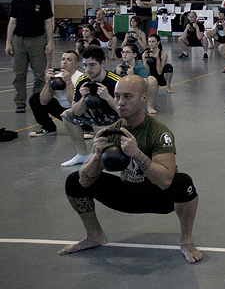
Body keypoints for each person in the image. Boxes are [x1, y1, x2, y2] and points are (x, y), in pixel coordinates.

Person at [59, 75, 202, 263]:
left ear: (144, 98)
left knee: (184, 183)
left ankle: (186, 241)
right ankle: (94, 235)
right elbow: (84, 182)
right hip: (126, 194)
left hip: (158, 197)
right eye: (117, 97)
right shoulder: (109, 133)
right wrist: (96, 155)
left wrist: (137, 154)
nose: (120, 103)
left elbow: (166, 180)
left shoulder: (159, 132)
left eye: (127, 96)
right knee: (73, 181)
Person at [59, 46, 121, 167]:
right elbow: (76, 112)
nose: (88, 69)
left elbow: (126, 111)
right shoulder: (82, 81)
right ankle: (82, 155)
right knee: (67, 115)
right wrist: (83, 98)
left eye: (92, 65)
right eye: (85, 65)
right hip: (96, 116)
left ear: (102, 63)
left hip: (116, 118)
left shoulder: (116, 81)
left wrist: (108, 97)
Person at [6, 0, 54, 113]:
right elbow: (12, 23)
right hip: (18, 41)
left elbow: (48, 23)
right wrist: (8, 42)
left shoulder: (44, 2)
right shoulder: (17, 1)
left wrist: (50, 42)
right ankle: (20, 102)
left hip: (38, 41)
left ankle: (37, 102)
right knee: (19, 74)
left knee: (39, 75)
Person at [28, 50, 85, 137]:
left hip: (77, 110)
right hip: (62, 110)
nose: (65, 62)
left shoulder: (81, 78)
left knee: (86, 101)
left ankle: (87, 128)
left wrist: (68, 82)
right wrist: (48, 82)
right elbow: (43, 101)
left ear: (76, 64)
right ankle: (48, 128)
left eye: (69, 60)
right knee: (35, 98)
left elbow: (73, 102)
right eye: (63, 59)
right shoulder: (57, 77)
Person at [114, 43, 160, 115]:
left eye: (127, 52)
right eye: (123, 52)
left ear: (135, 54)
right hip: (123, 93)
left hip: (138, 92)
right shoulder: (119, 67)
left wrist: (131, 76)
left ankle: (149, 106)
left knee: (152, 79)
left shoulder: (140, 68)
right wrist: (117, 75)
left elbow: (143, 85)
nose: (124, 54)